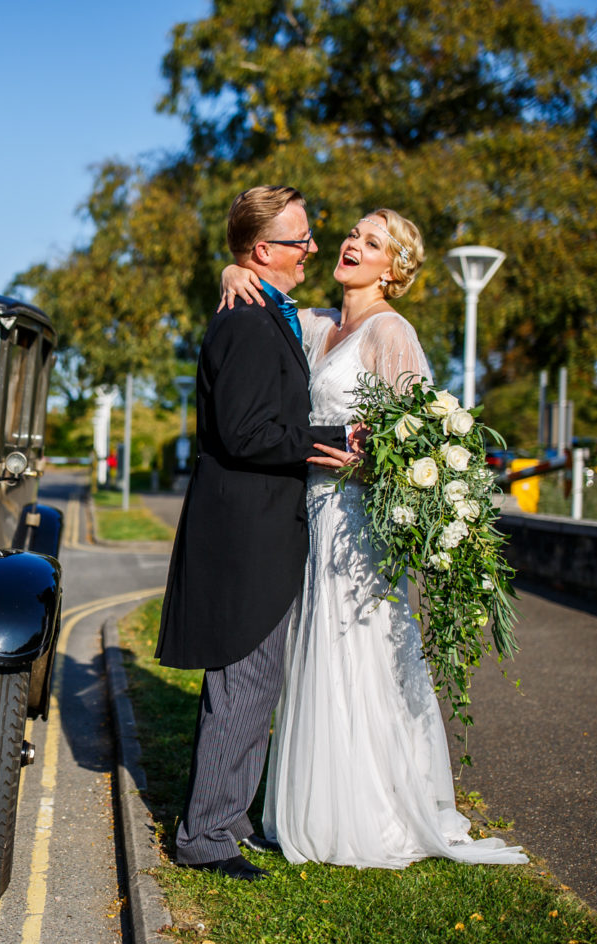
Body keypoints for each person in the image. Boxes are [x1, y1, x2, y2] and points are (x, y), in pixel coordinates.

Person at [219, 210, 528, 868]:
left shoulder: (392, 332)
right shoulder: (319, 325)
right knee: (311, 655)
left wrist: (359, 465)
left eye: (373, 242)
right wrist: (233, 267)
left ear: (394, 268)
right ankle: (307, 804)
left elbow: (420, 441)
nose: (353, 245)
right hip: (305, 515)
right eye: (354, 235)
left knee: (356, 654)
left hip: (356, 524)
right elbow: (263, 293)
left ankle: (369, 813)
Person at [155, 186, 353, 882]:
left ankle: (227, 821)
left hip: (261, 530)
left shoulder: (264, 308)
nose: (313, 251)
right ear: (263, 251)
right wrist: (329, 438)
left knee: (254, 684)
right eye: (300, 240)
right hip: (246, 537)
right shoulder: (244, 323)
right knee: (243, 683)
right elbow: (242, 433)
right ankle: (204, 835)